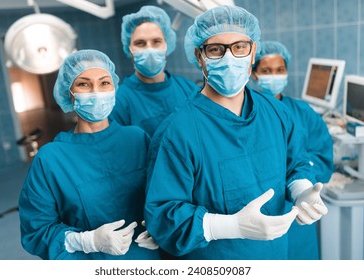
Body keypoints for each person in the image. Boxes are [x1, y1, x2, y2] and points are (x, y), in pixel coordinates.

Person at [144, 5, 328, 260]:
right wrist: (229, 226)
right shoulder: (177, 132)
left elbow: (295, 162)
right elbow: (164, 216)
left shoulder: (276, 112)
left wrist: (302, 191)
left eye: (240, 47)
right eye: (216, 49)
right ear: (200, 56)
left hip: (276, 256)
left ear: (253, 52)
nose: (230, 58)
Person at [18, 49, 160, 260]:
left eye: (104, 83)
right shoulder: (50, 160)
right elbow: (36, 231)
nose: (96, 92)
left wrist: (162, 228)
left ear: (114, 88)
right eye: (84, 84)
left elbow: (164, 195)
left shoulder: (138, 139)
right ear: (69, 92)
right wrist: (86, 241)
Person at [250, 40, 334, 259]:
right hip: (262, 212)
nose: (274, 75)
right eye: (266, 70)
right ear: (255, 74)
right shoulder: (247, 113)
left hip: (298, 212)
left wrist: (301, 182)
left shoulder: (303, 112)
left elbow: (322, 158)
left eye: (280, 70)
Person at [109, 5, 199, 138]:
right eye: (140, 43)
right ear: (129, 49)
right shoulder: (119, 101)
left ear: (167, 45)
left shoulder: (188, 89)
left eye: (156, 41)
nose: (149, 49)